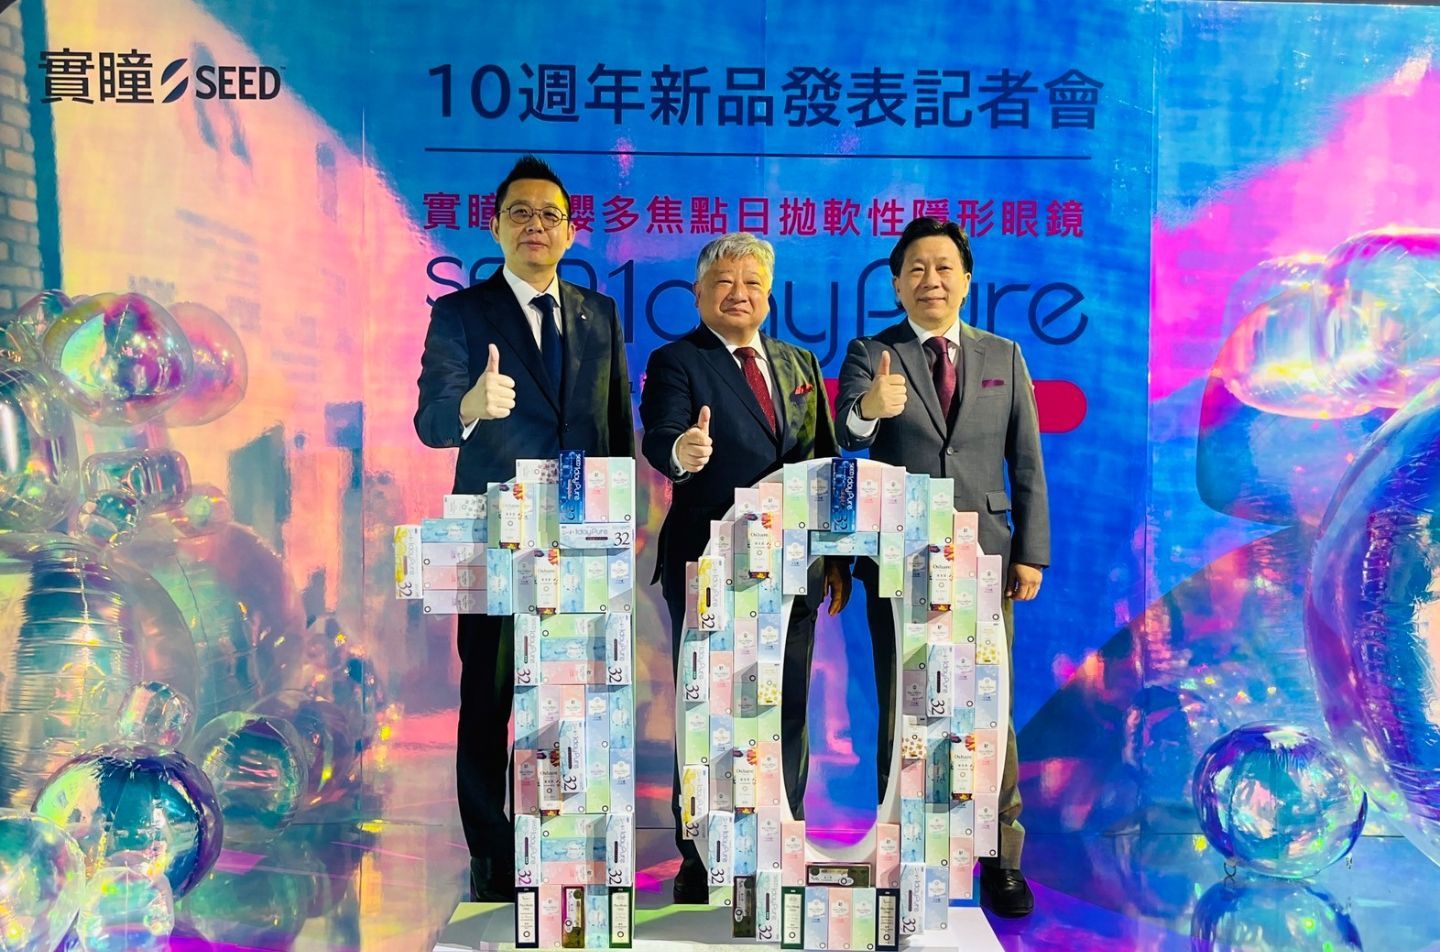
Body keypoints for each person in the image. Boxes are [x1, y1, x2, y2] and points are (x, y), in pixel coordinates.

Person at [414, 155, 634, 902]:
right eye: (520, 213)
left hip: (580, 537)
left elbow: (614, 427)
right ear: (495, 226)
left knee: (572, 695)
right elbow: (430, 421)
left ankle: (563, 845)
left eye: (550, 215)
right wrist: (470, 405)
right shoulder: (461, 314)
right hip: (494, 537)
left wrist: (617, 526)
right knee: (490, 697)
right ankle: (492, 855)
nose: (535, 225)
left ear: (570, 232)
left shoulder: (598, 314)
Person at [835, 217, 1049, 918]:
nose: (931, 280)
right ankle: (902, 851)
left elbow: (1026, 460)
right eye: (917, 269)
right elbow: (845, 434)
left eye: (944, 267)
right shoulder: (873, 352)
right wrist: (870, 409)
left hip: (986, 558)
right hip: (900, 561)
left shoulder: (1003, 355)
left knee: (991, 708)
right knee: (904, 709)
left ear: (966, 279)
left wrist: (1030, 551)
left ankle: (1000, 857)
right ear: (896, 284)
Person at [639, 233, 850, 904]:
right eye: (725, 282)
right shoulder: (677, 361)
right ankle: (699, 853)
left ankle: (781, 838)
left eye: (753, 282)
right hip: (710, 561)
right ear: (699, 294)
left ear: (769, 294)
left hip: (794, 562)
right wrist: (681, 451)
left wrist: (833, 555)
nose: (740, 293)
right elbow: (660, 435)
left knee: (786, 706)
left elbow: (823, 460)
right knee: (705, 708)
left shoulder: (798, 362)